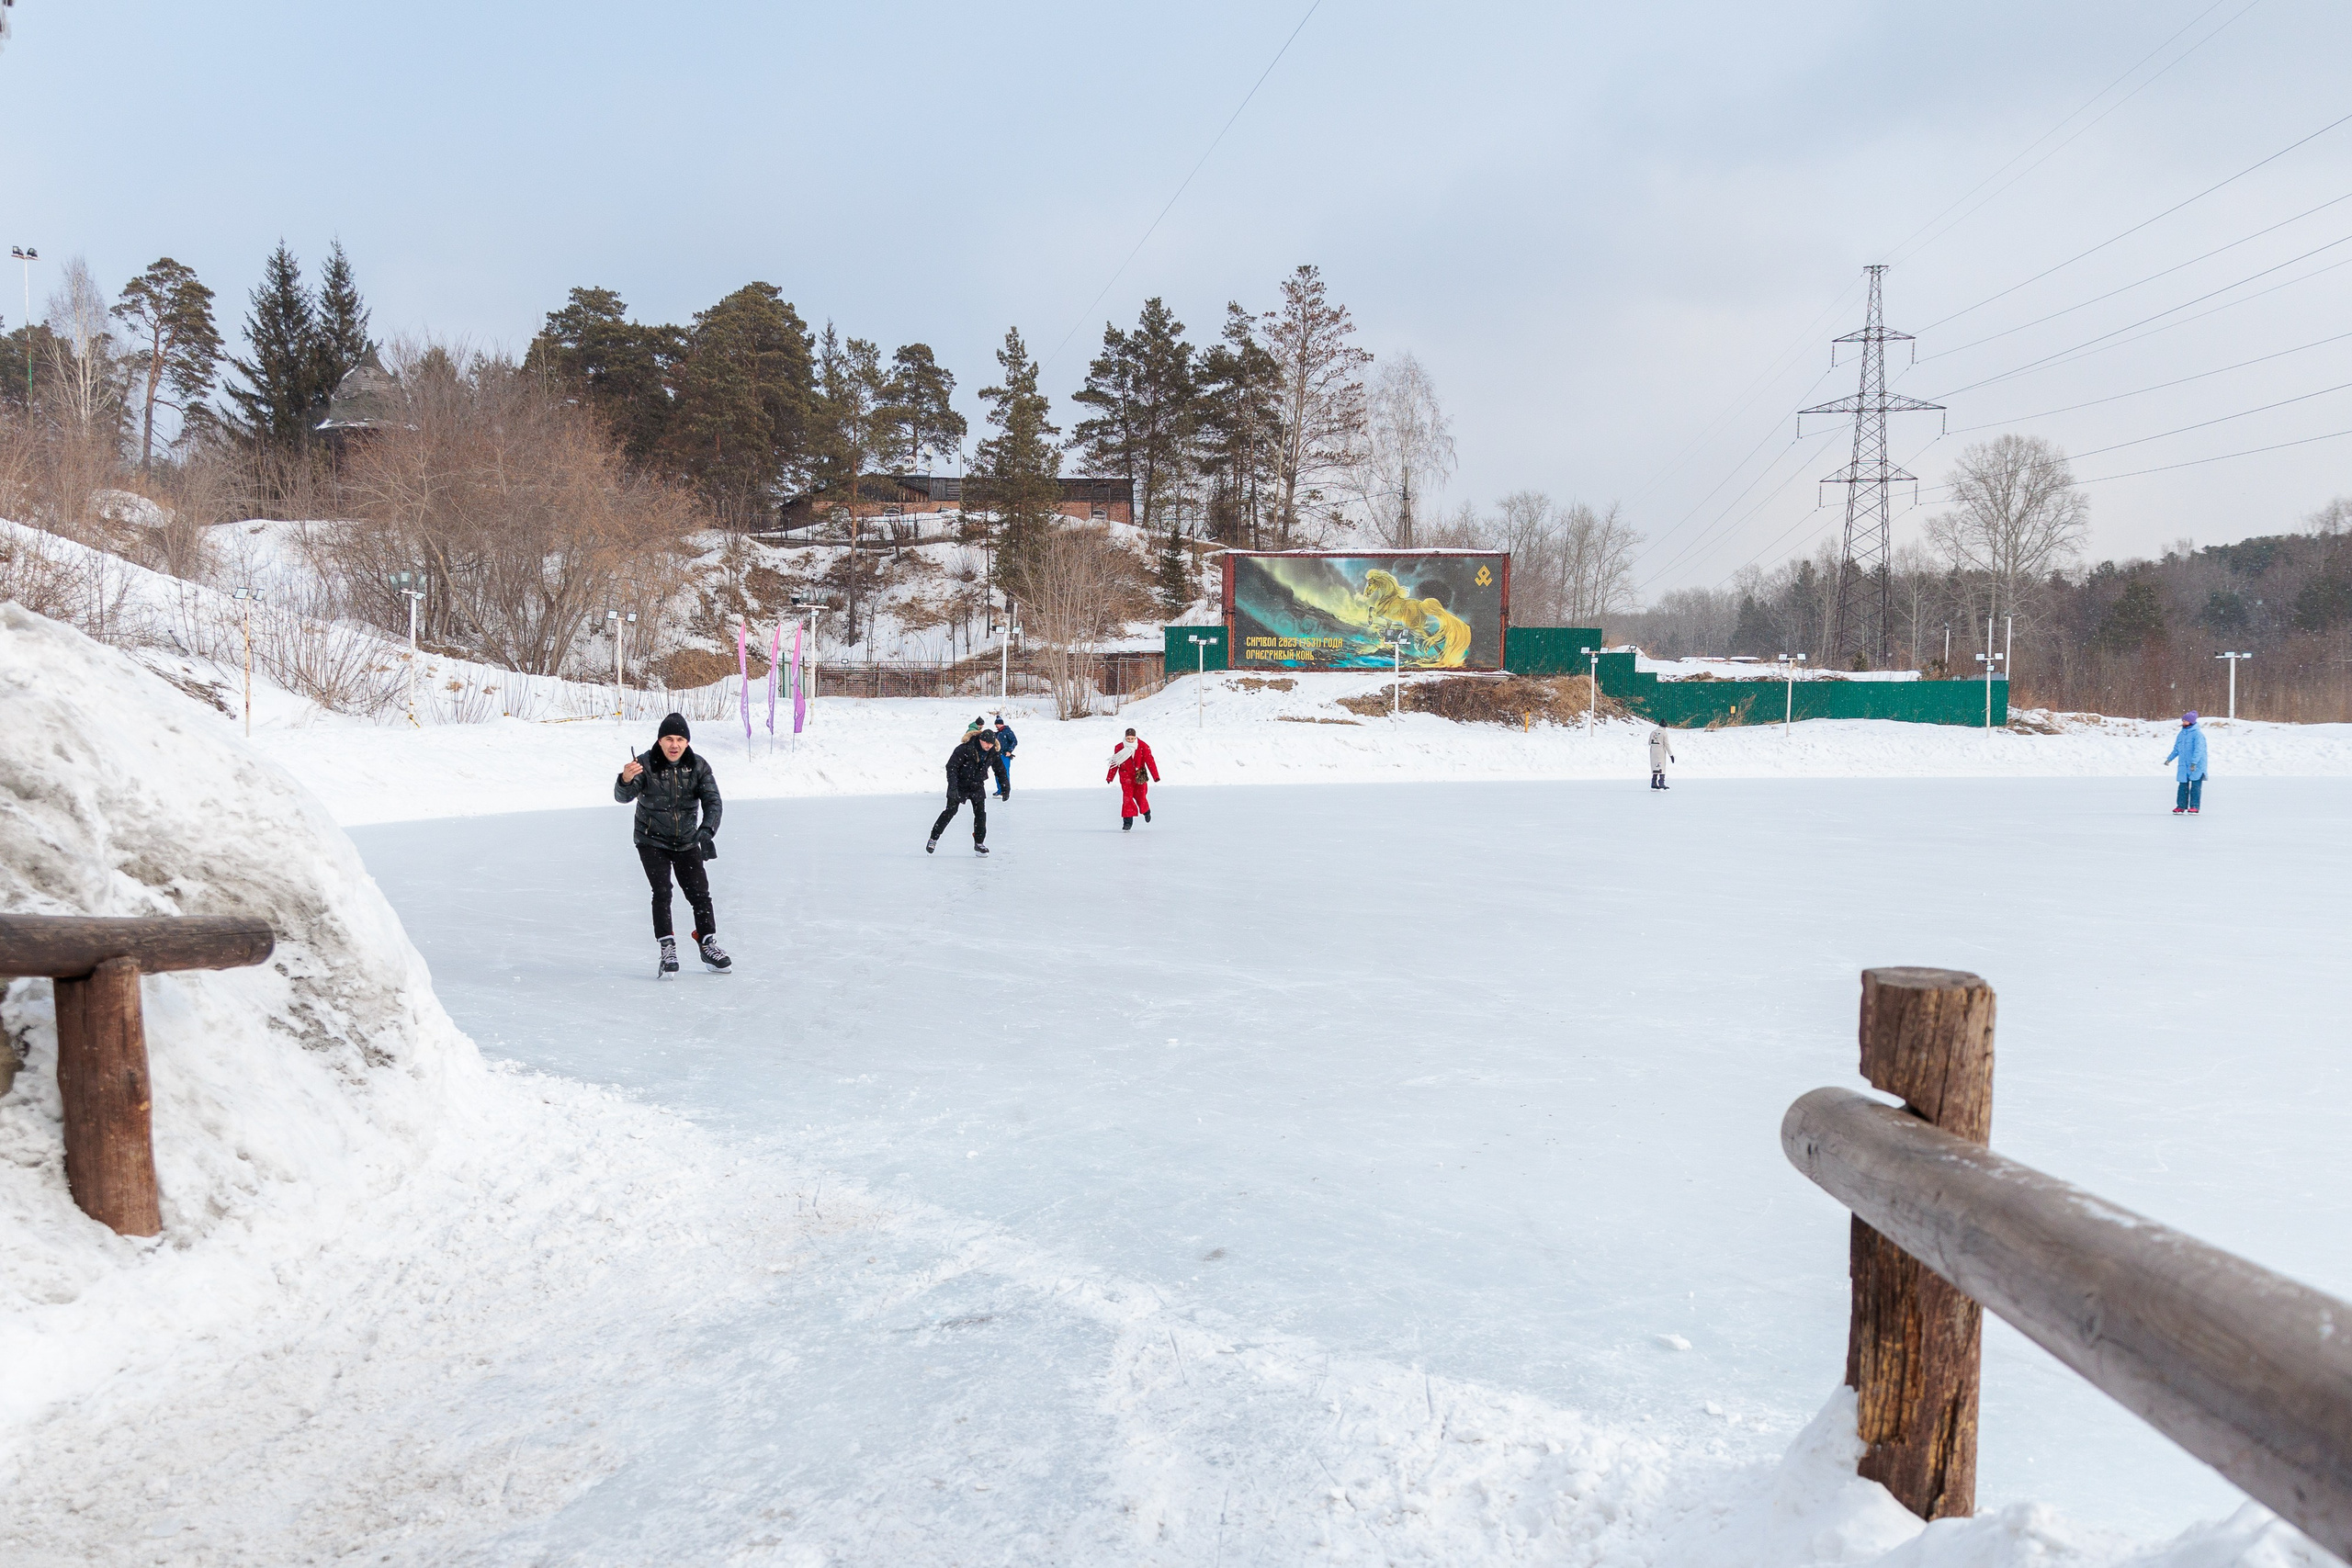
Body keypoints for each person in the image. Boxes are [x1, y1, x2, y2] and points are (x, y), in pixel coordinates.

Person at [615, 712, 730, 977]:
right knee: (662, 891)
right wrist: (625, 780)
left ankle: (707, 942)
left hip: (687, 839)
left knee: (700, 893)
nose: (674, 745)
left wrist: (707, 831)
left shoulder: (699, 766)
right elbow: (623, 797)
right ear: (660, 740)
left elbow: (713, 801)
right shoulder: (645, 764)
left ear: (687, 742)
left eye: (680, 739)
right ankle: (667, 947)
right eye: (669, 739)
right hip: (651, 839)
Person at [929, 726, 998, 854]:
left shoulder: (993, 752)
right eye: (987, 743)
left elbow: (999, 769)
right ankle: (934, 838)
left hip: (977, 785)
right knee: (950, 811)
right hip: (960, 784)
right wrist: (953, 787)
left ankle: (979, 842)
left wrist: (1005, 786)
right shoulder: (964, 749)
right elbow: (951, 767)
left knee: (980, 814)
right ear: (980, 739)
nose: (989, 746)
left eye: (991, 743)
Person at [1107, 728, 1159, 830]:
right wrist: (1110, 777)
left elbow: (1150, 761)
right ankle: (1127, 822)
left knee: (1141, 797)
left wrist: (1156, 776)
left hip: (1139, 776)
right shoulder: (1119, 747)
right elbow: (1115, 762)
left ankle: (1146, 811)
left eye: (1132, 738)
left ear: (1135, 737)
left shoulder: (1143, 746)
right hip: (1126, 778)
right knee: (1127, 799)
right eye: (1128, 738)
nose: (1130, 740)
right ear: (1125, 737)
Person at [2165, 710, 2209, 815]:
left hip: (2196, 765)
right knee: (2182, 786)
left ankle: (2194, 806)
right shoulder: (2181, 734)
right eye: (2183, 720)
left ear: (2191, 722)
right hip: (2184, 765)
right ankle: (2181, 806)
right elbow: (2177, 748)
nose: (2183, 722)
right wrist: (2170, 758)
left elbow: (2199, 750)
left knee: (2195, 786)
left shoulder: (2198, 735)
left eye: (2186, 721)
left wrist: (2194, 763)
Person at [990, 714, 1018, 799]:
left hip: (1005, 756)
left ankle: (1005, 791)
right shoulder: (998, 733)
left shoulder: (1007, 731)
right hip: (998, 755)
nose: (996, 726)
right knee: (997, 773)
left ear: (1001, 724)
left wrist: (1009, 751)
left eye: (997, 724)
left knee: (1004, 773)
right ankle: (999, 790)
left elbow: (1014, 741)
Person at [1648, 727, 1676, 791]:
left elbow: (1649, 743)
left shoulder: (1653, 732)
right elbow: (1667, 744)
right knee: (1661, 767)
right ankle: (1661, 783)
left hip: (1653, 752)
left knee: (1655, 767)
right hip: (1661, 752)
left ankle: (1653, 782)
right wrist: (1671, 755)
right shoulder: (1664, 733)